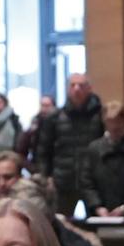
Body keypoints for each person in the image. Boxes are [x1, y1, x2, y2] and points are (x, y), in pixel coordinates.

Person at [42, 74, 104, 216]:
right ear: (67, 89)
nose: (77, 89)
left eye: (81, 85)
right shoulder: (54, 117)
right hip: (62, 182)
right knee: (59, 225)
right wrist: (46, 178)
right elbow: (43, 151)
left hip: (93, 184)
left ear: (89, 89)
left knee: (97, 228)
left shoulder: (100, 115)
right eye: (73, 85)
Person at [19, 93, 57, 175]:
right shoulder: (33, 127)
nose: (44, 109)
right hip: (38, 168)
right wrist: (32, 168)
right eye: (42, 105)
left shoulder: (59, 124)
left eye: (47, 105)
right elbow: (21, 152)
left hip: (57, 169)